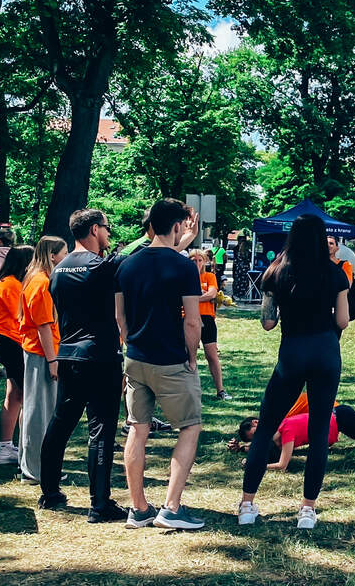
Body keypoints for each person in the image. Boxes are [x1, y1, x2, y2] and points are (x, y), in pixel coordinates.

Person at [238, 214, 350, 529]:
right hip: (326, 353)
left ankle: (247, 504)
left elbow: (268, 322)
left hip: (292, 353)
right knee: (318, 431)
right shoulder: (335, 273)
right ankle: (307, 510)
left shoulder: (276, 272)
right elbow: (342, 321)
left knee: (266, 427)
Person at [116, 199, 205, 530]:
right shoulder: (184, 267)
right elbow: (192, 321)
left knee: (137, 429)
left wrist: (131, 342)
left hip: (136, 358)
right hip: (171, 360)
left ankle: (138, 509)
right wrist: (192, 357)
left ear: (151, 225)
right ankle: (171, 508)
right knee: (190, 427)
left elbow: (119, 318)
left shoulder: (126, 264)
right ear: (177, 226)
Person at [37, 209, 130, 521]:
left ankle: (49, 492)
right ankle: (100, 504)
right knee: (101, 428)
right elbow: (139, 253)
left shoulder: (58, 269)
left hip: (68, 355)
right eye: (106, 227)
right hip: (99, 356)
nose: (109, 233)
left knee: (60, 423)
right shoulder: (99, 266)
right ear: (94, 229)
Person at [18, 236, 69, 483]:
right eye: (64, 253)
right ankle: (36, 470)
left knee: (36, 409)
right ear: (52, 256)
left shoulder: (38, 278)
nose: (66, 258)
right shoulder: (41, 282)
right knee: (40, 412)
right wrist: (52, 361)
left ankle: (31, 465)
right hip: (41, 353)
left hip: (38, 352)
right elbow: (43, 326)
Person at [0, 245, 33, 466]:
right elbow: (23, 315)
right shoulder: (11, 285)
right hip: (12, 343)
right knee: (29, 397)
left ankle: (6, 447)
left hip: (8, 343)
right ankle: (26, 449)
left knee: (15, 395)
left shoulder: (7, 282)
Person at [189, 249, 229, 400]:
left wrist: (192, 299)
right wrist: (201, 297)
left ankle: (220, 390)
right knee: (190, 356)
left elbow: (212, 293)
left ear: (205, 261)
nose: (197, 263)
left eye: (200, 260)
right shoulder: (185, 277)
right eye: (194, 260)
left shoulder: (210, 276)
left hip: (207, 318)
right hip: (188, 318)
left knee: (212, 355)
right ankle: (190, 391)